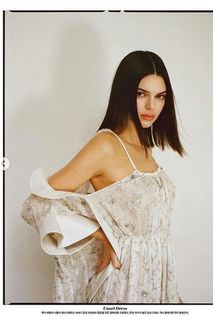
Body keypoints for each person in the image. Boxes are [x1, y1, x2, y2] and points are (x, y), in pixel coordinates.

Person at [21, 50, 185, 303]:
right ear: (125, 92)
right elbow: (36, 204)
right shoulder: (106, 145)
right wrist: (102, 234)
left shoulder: (145, 149)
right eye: (141, 94)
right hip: (121, 287)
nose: (152, 106)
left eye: (160, 97)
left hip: (158, 285)